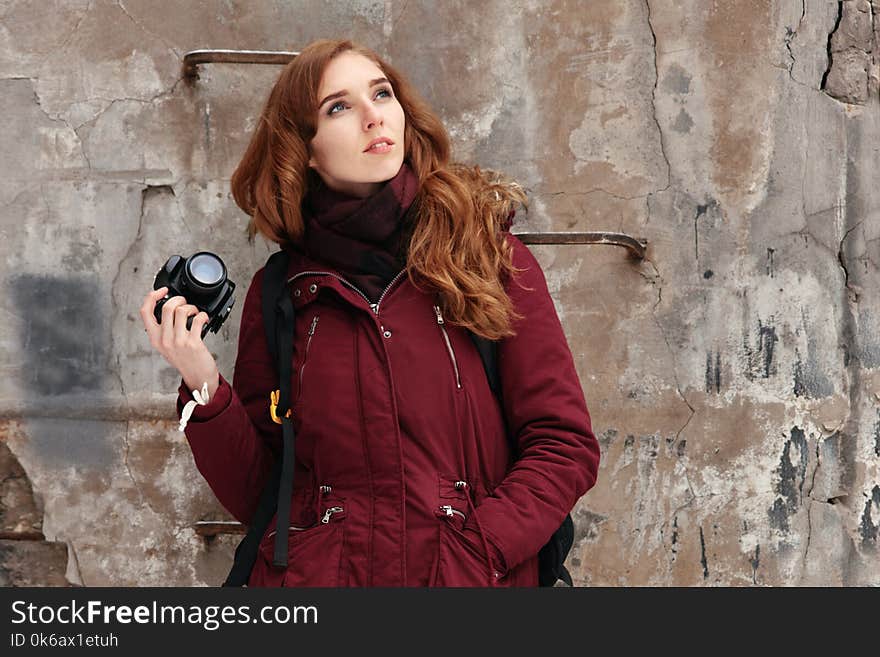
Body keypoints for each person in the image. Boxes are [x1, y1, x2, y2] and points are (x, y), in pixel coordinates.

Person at [139, 38, 600, 587]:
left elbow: (563, 444)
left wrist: (478, 552)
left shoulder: (484, 255)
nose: (372, 115)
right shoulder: (282, 292)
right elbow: (265, 497)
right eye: (339, 107)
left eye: (381, 94)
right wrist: (204, 384)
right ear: (305, 149)